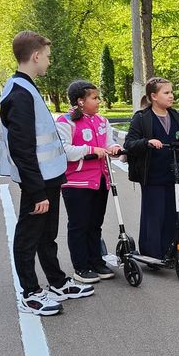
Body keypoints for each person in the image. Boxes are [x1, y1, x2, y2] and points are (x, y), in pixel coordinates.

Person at [0, 31, 95, 316]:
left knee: (47, 234)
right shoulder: (19, 93)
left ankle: (56, 282)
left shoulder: (26, 87)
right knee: (28, 237)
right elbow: (22, 147)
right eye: (48, 57)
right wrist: (36, 190)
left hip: (49, 177)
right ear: (36, 55)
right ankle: (29, 293)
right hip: (37, 182)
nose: (49, 62)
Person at [124, 77, 179, 264]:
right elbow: (129, 143)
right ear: (153, 96)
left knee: (174, 214)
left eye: (171, 92)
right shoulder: (142, 118)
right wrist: (146, 142)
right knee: (154, 215)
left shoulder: (177, 117)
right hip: (152, 175)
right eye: (166, 93)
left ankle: (171, 252)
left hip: (174, 174)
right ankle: (152, 254)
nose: (171, 96)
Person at [56, 80, 122, 284]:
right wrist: (91, 150)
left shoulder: (102, 121)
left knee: (95, 224)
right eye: (94, 98)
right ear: (80, 101)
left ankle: (96, 261)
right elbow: (65, 151)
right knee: (79, 225)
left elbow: (108, 142)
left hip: (100, 180)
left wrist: (114, 148)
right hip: (76, 183)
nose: (98, 101)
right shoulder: (65, 122)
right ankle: (81, 266)